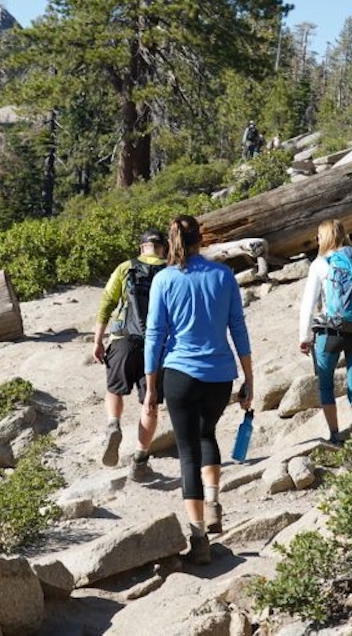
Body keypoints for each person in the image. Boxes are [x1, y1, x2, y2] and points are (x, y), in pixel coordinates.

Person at [143, 215, 254, 566]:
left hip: (180, 374)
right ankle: (214, 502)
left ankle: (198, 536)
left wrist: (150, 387)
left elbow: (154, 336)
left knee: (188, 452)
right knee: (207, 434)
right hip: (221, 376)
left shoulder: (164, 279)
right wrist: (249, 378)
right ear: (200, 238)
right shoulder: (223, 276)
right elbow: (238, 328)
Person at [297, 219, 352, 445]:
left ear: (323, 237)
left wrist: (304, 337)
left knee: (326, 385)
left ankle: (335, 436)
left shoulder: (320, 264)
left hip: (330, 333)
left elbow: (308, 303)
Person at [92, 229, 167, 479]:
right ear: (163, 248)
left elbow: (106, 303)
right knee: (151, 401)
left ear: (141, 247)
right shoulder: (171, 271)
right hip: (157, 345)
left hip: (123, 339)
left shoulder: (125, 267)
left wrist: (98, 340)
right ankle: (140, 458)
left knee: (114, 388)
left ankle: (113, 423)